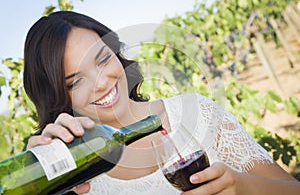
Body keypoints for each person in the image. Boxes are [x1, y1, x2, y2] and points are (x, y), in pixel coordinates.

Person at [24, 11, 300, 195]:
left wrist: (241, 185)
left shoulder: (196, 111)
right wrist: (36, 183)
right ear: (58, 97)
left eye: (102, 59)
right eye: (75, 81)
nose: (102, 82)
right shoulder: (75, 179)